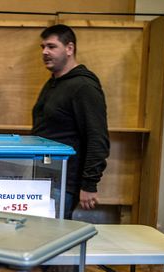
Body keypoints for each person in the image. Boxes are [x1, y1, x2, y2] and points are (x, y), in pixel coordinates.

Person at [32, 24, 110, 219]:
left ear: (69, 48)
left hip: (65, 182)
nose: (45, 52)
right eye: (42, 47)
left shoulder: (83, 86)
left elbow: (97, 138)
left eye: (51, 46)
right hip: (44, 176)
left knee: (52, 239)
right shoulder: (54, 82)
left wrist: (89, 184)